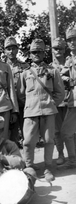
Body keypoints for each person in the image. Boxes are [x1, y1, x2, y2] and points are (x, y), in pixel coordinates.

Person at [17, 39, 65, 182]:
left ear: (44, 53)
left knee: (49, 140)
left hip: (48, 111)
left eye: (39, 52)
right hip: (31, 112)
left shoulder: (52, 71)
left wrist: (51, 104)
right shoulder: (25, 73)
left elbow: (60, 92)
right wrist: (30, 104)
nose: (36, 54)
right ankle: (30, 167)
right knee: (28, 142)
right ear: (30, 54)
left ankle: (48, 168)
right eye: (33, 52)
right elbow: (20, 93)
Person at [4, 36, 29, 147]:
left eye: (13, 48)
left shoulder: (25, 66)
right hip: (9, 105)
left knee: (27, 135)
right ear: (4, 51)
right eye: (8, 49)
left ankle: (28, 161)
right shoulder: (2, 67)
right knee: (10, 137)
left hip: (24, 104)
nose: (11, 51)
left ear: (17, 50)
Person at [57, 27, 76, 169]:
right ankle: (73, 160)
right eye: (70, 40)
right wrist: (66, 79)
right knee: (66, 132)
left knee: (67, 132)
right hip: (73, 101)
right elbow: (62, 76)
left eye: (74, 39)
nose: (72, 42)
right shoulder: (69, 60)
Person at [50, 37, 68, 165]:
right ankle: (60, 154)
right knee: (57, 131)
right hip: (56, 103)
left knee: (71, 130)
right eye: (56, 48)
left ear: (64, 49)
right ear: (52, 50)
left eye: (61, 48)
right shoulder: (49, 67)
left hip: (69, 101)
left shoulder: (70, 63)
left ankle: (73, 154)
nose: (58, 51)